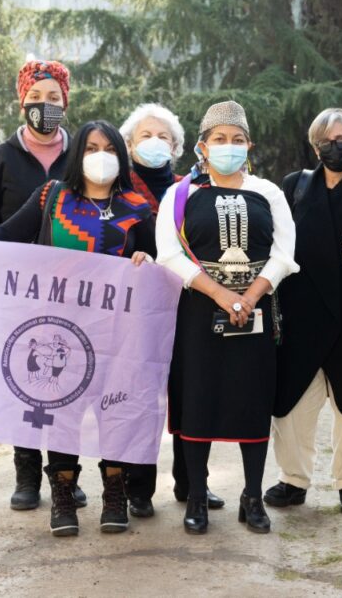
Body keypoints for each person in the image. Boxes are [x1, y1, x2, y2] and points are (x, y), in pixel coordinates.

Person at [0, 120, 156, 537]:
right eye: (91, 148)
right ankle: (63, 495)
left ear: (121, 156)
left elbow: (155, 258)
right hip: (59, 331)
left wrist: (146, 261)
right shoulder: (53, 196)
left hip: (118, 332)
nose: (100, 157)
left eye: (109, 149)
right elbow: (7, 234)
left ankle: (114, 494)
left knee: (116, 411)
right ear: (77, 155)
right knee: (61, 412)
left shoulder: (136, 207)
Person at [156, 100, 298, 535]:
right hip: (199, 313)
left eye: (237, 139)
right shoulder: (180, 195)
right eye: (219, 139)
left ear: (249, 145)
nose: (228, 146)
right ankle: (197, 496)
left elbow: (284, 254)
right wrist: (220, 294)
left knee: (252, 401)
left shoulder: (268, 193)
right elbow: (169, 254)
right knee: (198, 400)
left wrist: (250, 296)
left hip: (256, 312)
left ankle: (252, 497)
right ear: (202, 146)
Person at [0, 59, 84, 512]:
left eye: (53, 98)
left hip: (73, 293)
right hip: (17, 292)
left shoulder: (81, 156)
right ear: (22, 102)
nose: (44, 105)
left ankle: (66, 475)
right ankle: (26, 472)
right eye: (36, 98)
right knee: (25, 380)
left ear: (65, 103)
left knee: (68, 378)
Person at [264, 108, 342, 515]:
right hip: (302, 314)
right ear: (315, 147)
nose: (336, 146)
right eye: (327, 140)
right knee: (292, 404)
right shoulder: (294, 185)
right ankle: (293, 480)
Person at [117, 103, 225, 518]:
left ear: (177, 147)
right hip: (136, 315)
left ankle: (193, 482)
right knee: (140, 399)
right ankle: (138, 487)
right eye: (145, 135)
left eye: (163, 136)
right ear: (129, 145)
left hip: (188, 307)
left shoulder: (192, 190)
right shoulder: (118, 192)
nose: (155, 142)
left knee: (191, 395)